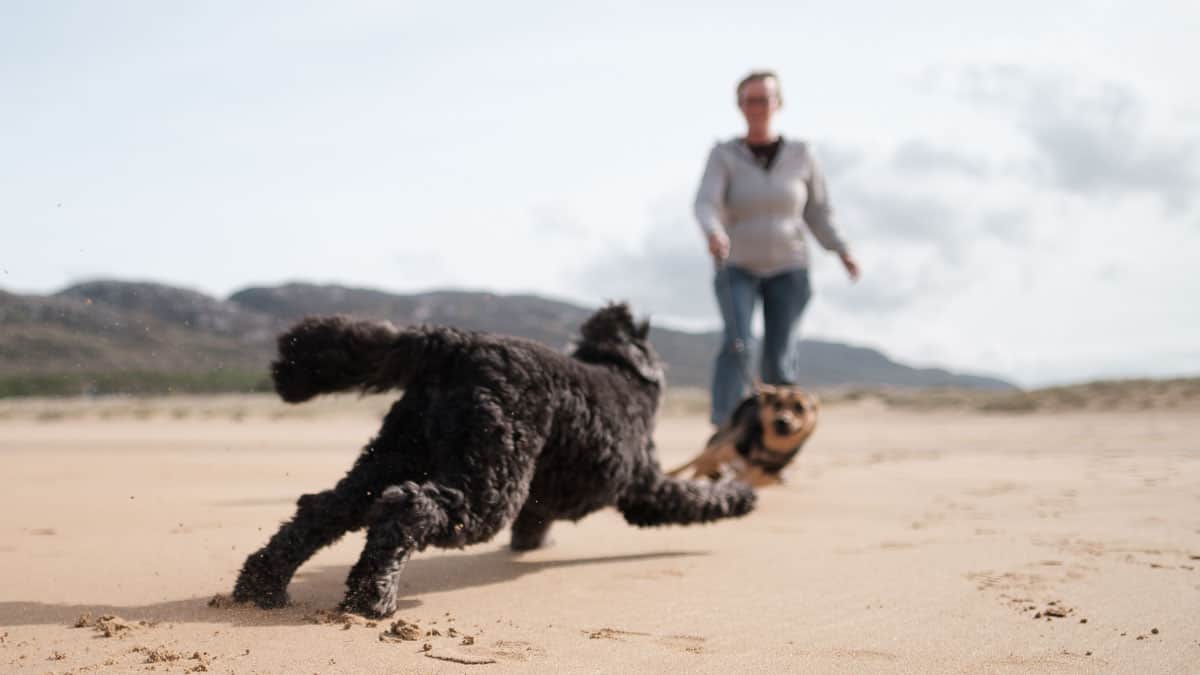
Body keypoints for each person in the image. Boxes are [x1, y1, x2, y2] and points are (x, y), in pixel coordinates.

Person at [694, 70, 860, 426]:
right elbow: (706, 202)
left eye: (765, 99)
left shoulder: (802, 155)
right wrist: (713, 231)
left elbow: (818, 210)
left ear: (778, 103)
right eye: (750, 100)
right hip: (736, 263)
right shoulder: (724, 155)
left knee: (779, 357)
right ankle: (724, 428)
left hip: (789, 267)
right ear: (740, 106)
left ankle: (776, 437)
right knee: (738, 344)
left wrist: (841, 249)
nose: (758, 107)